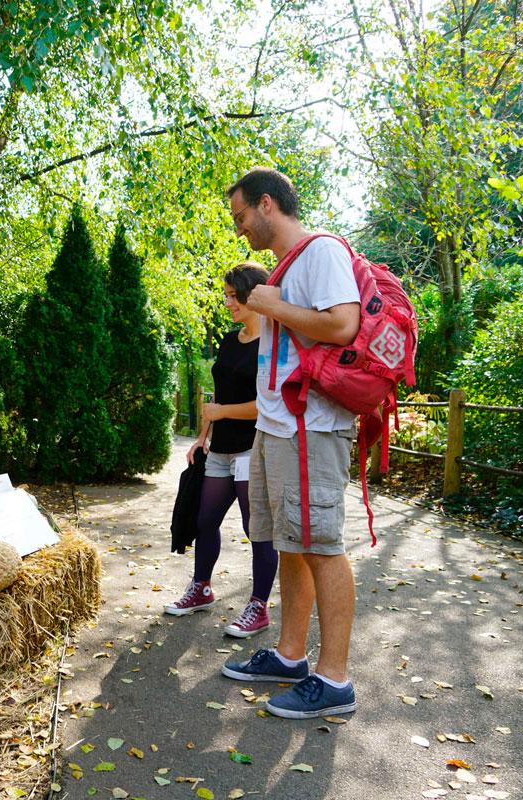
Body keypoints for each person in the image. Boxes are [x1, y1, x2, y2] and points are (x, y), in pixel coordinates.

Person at [218, 167, 362, 720]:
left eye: (241, 216)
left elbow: (343, 326)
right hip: (279, 428)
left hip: (311, 426)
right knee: (291, 543)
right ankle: (291, 655)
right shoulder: (288, 265)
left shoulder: (321, 251)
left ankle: (336, 681)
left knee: (321, 544)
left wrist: (268, 303)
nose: (239, 230)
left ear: (268, 204)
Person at [166, 263, 278, 639]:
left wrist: (222, 412)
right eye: (227, 295)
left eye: (234, 296)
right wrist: (202, 436)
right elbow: (219, 394)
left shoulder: (273, 345)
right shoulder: (231, 342)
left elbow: (267, 404)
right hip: (220, 449)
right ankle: (202, 588)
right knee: (203, 520)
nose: (228, 302)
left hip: (252, 450)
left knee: (256, 529)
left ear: (253, 294)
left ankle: (258, 606)